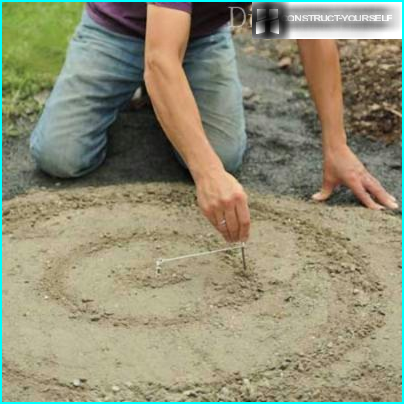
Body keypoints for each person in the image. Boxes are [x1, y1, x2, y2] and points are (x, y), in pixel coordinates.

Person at [30, 2, 398, 244]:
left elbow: (310, 30)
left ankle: (166, 99)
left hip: (202, 35)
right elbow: (160, 58)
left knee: (223, 156)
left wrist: (337, 145)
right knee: (60, 157)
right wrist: (206, 175)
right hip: (115, 30)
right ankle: (159, 94)